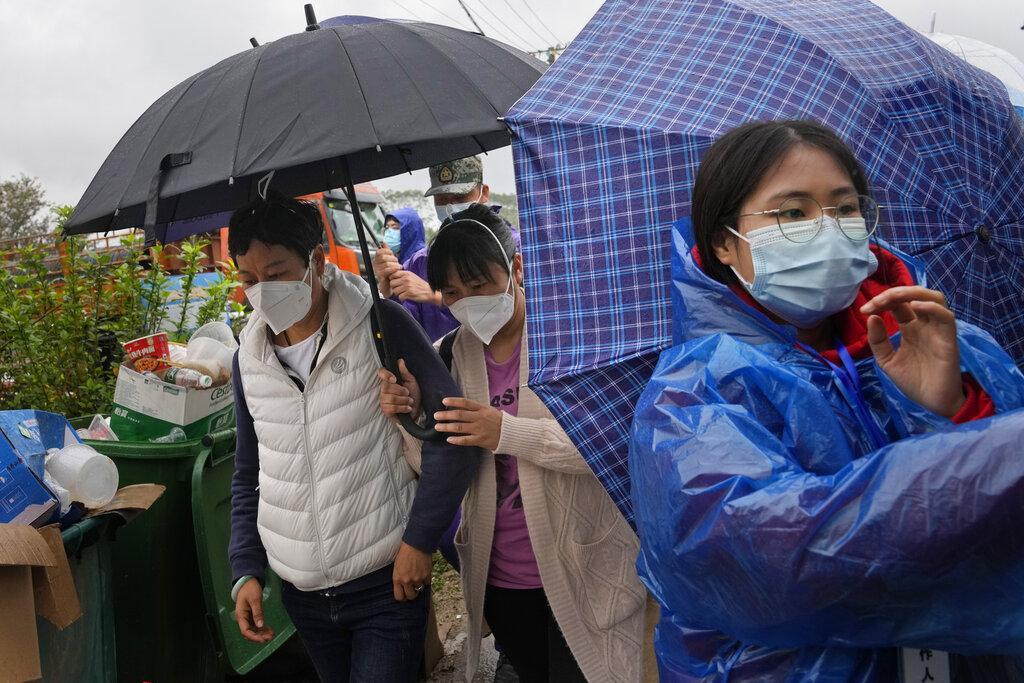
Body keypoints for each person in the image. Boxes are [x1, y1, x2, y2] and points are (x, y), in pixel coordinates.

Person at [630, 120, 1024, 681]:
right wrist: (1001, 454)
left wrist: (951, 410)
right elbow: (770, 562)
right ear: (723, 242)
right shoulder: (694, 394)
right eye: (792, 214)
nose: (828, 230)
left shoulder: (945, 339)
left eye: (844, 209)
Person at [378, 204, 650, 682]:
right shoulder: (450, 356)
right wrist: (414, 414)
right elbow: (430, 460)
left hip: (583, 568)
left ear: (517, 268)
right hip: (502, 577)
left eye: (480, 286)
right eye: (453, 293)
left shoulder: (570, 341)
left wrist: (506, 432)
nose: (468, 302)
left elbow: (614, 443)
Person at [227, 190, 475, 682]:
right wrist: (245, 569)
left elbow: (451, 433)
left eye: (276, 274)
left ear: (316, 261)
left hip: (386, 582)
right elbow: (248, 473)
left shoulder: (380, 326)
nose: (262, 290)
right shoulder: (247, 360)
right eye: (249, 279)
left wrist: (419, 542)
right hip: (303, 594)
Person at [373, 156, 519, 343]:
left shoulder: (511, 247)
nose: (450, 206)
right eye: (441, 199)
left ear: (484, 192)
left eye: (460, 197)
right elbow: (405, 331)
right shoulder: (421, 261)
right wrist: (389, 291)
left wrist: (435, 296)